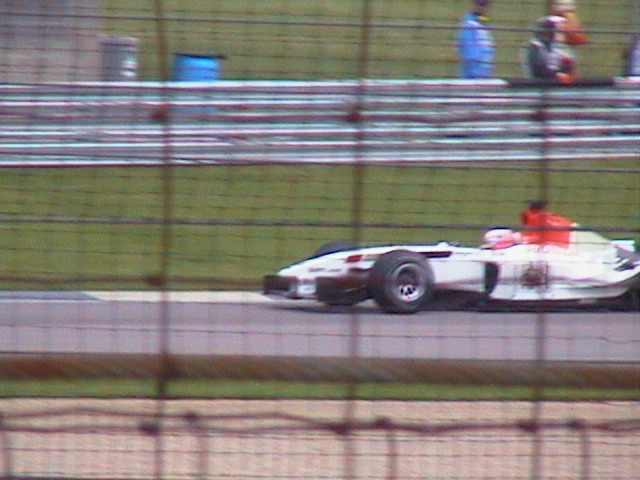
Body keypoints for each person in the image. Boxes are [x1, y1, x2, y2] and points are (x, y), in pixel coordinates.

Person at [525, 17, 577, 84]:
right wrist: (557, 75)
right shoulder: (535, 45)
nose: (549, 34)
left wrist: (567, 67)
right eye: (546, 31)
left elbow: (566, 62)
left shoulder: (555, 45)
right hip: (541, 81)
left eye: (551, 32)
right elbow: (538, 70)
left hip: (558, 80)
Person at [458, 0, 495, 79]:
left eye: (485, 5)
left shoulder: (483, 22)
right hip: (475, 68)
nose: (483, 8)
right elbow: (467, 46)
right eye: (480, 5)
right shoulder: (470, 23)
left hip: (485, 67)